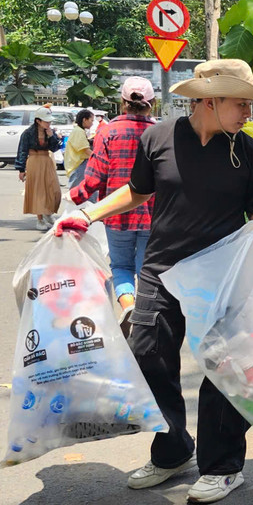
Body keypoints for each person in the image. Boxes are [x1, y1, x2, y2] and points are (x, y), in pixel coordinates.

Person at [54, 59, 253, 505]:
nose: (247, 115)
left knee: (222, 367)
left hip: (222, 274)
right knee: (148, 354)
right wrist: (85, 214)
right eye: (240, 104)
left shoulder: (250, 154)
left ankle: (223, 465)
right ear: (209, 101)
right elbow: (138, 191)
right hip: (161, 269)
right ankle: (174, 450)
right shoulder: (157, 137)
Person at [72, 79, 157, 333]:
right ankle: (148, 317)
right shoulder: (159, 133)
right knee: (147, 269)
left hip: (116, 215)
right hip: (153, 214)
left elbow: (95, 177)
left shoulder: (107, 132)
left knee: (120, 266)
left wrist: (76, 197)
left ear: (122, 103)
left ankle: (128, 305)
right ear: (151, 105)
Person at [16, 107, 63, 230]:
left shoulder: (50, 132)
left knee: (54, 189)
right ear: (38, 121)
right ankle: (40, 219)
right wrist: (21, 169)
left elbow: (55, 148)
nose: (49, 123)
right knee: (38, 191)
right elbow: (22, 150)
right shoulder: (28, 133)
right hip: (34, 160)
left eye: (49, 121)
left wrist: (52, 136)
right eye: (46, 121)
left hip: (47, 160)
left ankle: (48, 212)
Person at [64, 109, 95, 192]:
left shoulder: (78, 130)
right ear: (84, 120)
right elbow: (86, 150)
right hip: (78, 166)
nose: (92, 123)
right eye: (91, 120)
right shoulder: (79, 131)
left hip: (77, 165)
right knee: (79, 193)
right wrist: (98, 158)